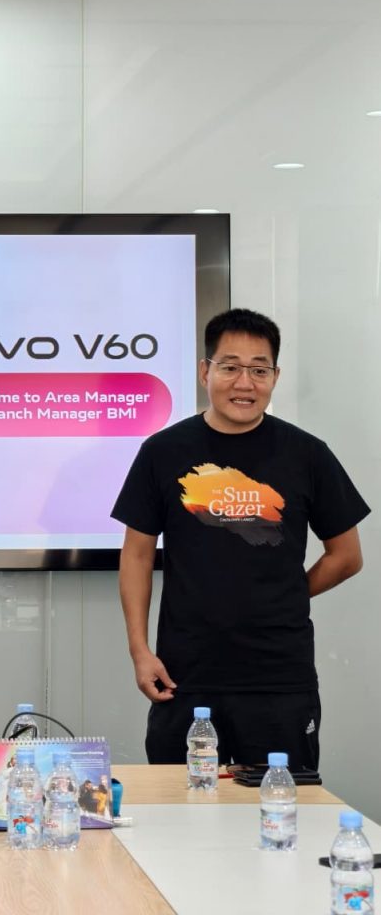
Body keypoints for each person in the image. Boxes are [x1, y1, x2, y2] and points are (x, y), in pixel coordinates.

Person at [111, 308, 370, 770]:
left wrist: (288, 593)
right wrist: (139, 649)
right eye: (230, 367)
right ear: (205, 372)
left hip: (279, 677)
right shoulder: (162, 452)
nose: (244, 383)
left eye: (259, 370)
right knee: (178, 806)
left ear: (275, 376)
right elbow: (136, 555)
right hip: (184, 674)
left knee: (280, 805)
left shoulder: (307, 454)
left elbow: (346, 556)